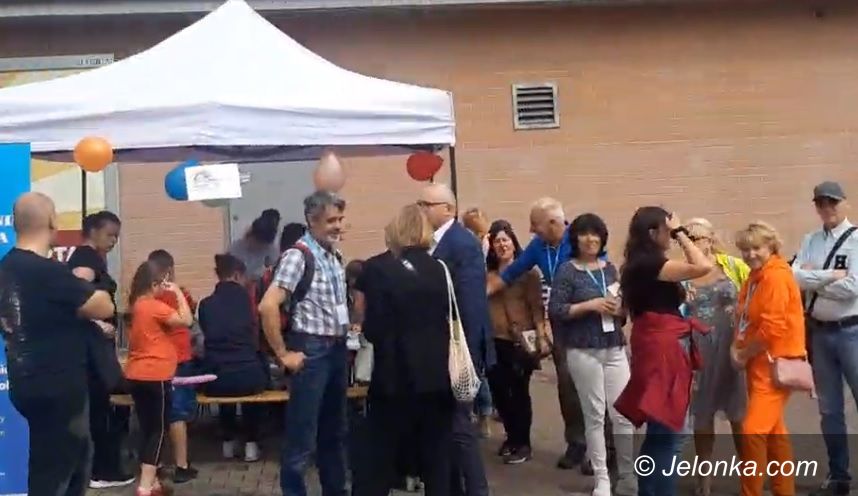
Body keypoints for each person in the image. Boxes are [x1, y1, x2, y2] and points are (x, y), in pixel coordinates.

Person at [1, 192, 114, 496]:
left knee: (64, 462)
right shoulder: (47, 271)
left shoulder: (5, 268)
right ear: (52, 221)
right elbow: (103, 306)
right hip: (59, 384)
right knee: (58, 473)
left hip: (24, 380)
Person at [353, 204, 456, 496]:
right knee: (437, 456)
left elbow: (373, 327)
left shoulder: (378, 269)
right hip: (437, 374)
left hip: (394, 375)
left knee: (380, 455)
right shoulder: (440, 268)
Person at [614, 207, 713, 496]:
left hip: (656, 343)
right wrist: (682, 232)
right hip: (663, 348)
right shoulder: (650, 263)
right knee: (670, 432)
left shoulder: (639, 264)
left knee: (661, 431)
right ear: (652, 232)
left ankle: (648, 490)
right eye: (666, 230)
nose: (670, 236)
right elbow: (702, 266)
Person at [486, 197, 588, 471]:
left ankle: (604, 448)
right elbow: (511, 273)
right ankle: (576, 444)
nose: (531, 230)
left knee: (593, 388)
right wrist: (478, 295)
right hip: (562, 324)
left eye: (535, 224)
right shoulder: (538, 247)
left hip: (587, 322)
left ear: (553, 223)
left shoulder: (580, 240)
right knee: (567, 387)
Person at [259, 191, 349, 496]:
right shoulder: (298, 256)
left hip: (336, 349)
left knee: (334, 433)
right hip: (312, 351)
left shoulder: (333, 255)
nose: (338, 226)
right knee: (302, 437)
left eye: (340, 219)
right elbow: (268, 305)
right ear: (312, 220)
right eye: (331, 220)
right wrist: (283, 354)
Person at [548, 213, 636, 496]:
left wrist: (619, 310)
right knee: (595, 415)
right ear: (575, 239)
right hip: (583, 350)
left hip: (614, 346)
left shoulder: (610, 269)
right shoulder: (567, 271)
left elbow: (623, 310)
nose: (590, 239)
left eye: (595, 233)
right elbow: (557, 310)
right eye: (584, 234)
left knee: (623, 414)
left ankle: (627, 476)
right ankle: (602, 479)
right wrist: (590, 305)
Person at [418, 183, 492, 496]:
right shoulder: (433, 242)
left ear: (448, 209)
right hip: (442, 348)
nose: (422, 210)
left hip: (459, 351)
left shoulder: (462, 244)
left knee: (460, 427)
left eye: (427, 204)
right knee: (447, 428)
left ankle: (477, 490)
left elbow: (471, 303)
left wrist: (467, 357)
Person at [792, 181, 858, 496]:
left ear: (844, 203)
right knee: (829, 410)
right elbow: (793, 278)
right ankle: (838, 476)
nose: (827, 208)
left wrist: (812, 277)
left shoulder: (856, 240)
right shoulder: (810, 240)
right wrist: (831, 276)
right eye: (821, 203)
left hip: (852, 331)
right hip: (819, 332)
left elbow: (853, 287)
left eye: (832, 202)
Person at [732, 221, 805, 496]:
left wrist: (743, 352)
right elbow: (745, 318)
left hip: (775, 363)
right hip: (759, 363)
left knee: (753, 430)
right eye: (745, 249)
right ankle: (784, 491)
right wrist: (736, 347)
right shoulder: (755, 277)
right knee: (774, 432)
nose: (750, 254)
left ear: (771, 247)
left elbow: (773, 328)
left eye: (756, 248)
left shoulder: (775, 277)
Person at [67, 210, 135, 489]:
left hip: (92, 348)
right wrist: (95, 322)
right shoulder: (86, 258)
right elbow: (74, 293)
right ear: (93, 231)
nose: (114, 241)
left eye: (117, 236)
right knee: (102, 408)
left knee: (101, 407)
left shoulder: (89, 258)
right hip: (91, 351)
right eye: (110, 235)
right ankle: (103, 470)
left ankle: (100, 468)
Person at [683, 218, 749, 496]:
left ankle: (750, 477)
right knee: (702, 415)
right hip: (700, 351)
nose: (693, 243)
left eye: (699, 237)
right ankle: (704, 480)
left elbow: (755, 291)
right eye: (688, 238)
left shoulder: (732, 265)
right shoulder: (681, 273)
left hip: (731, 348)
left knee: (740, 415)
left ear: (711, 239)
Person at [124, 260, 193, 496]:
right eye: (163, 283)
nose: (165, 287)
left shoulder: (136, 306)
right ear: (154, 284)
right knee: (159, 430)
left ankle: (152, 482)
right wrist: (177, 292)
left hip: (136, 374)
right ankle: (145, 486)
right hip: (156, 374)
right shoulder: (153, 306)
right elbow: (186, 320)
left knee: (147, 428)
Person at [485, 220, 549, 465]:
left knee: (519, 393)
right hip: (495, 340)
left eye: (506, 240)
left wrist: (541, 335)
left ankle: (523, 443)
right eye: (497, 241)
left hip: (520, 340)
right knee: (499, 392)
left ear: (513, 243)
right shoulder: (487, 275)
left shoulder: (527, 273)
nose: (502, 245)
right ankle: (511, 436)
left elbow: (537, 307)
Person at [199, 254, 269, 462]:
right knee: (251, 370)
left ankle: (227, 442)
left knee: (223, 367)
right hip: (249, 379)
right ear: (237, 275)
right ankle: (251, 444)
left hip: (215, 381)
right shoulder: (250, 303)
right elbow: (256, 338)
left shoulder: (205, 304)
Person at [146, 249, 199, 482]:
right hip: (178, 359)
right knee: (177, 413)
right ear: (169, 270)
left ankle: (155, 463)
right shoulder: (177, 294)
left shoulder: (146, 297)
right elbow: (189, 318)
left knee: (157, 413)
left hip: (155, 361)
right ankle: (181, 465)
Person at [230, 211, 281, 281]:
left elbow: (274, 270)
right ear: (252, 236)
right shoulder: (236, 249)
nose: (260, 248)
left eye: (263, 246)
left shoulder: (271, 250)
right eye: (258, 243)